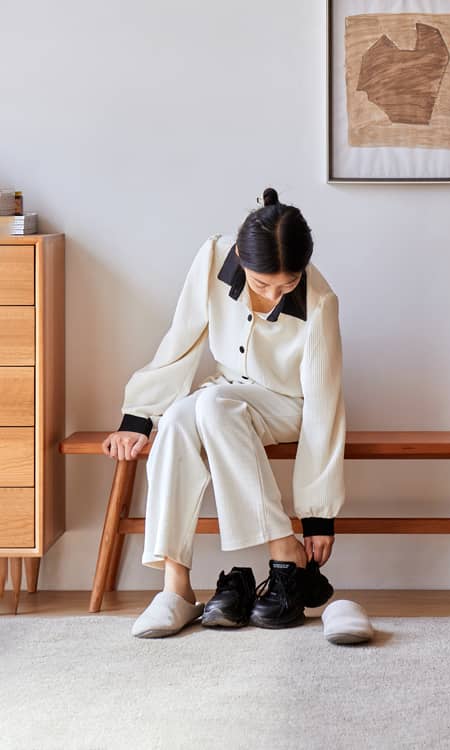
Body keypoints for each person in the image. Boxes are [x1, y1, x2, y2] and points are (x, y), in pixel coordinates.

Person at [101, 188, 346, 637]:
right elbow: (183, 338)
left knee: (209, 405)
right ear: (238, 255)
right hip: (225, 394)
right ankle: (176, 587)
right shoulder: (212, 257)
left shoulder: (321, 301)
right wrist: (140, 414)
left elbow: (325, 406)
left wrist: (317, 514)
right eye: (261, 284)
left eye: (285, 285)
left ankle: (283, 546)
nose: (273, 295)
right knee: (177, 418)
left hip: (285, 404)